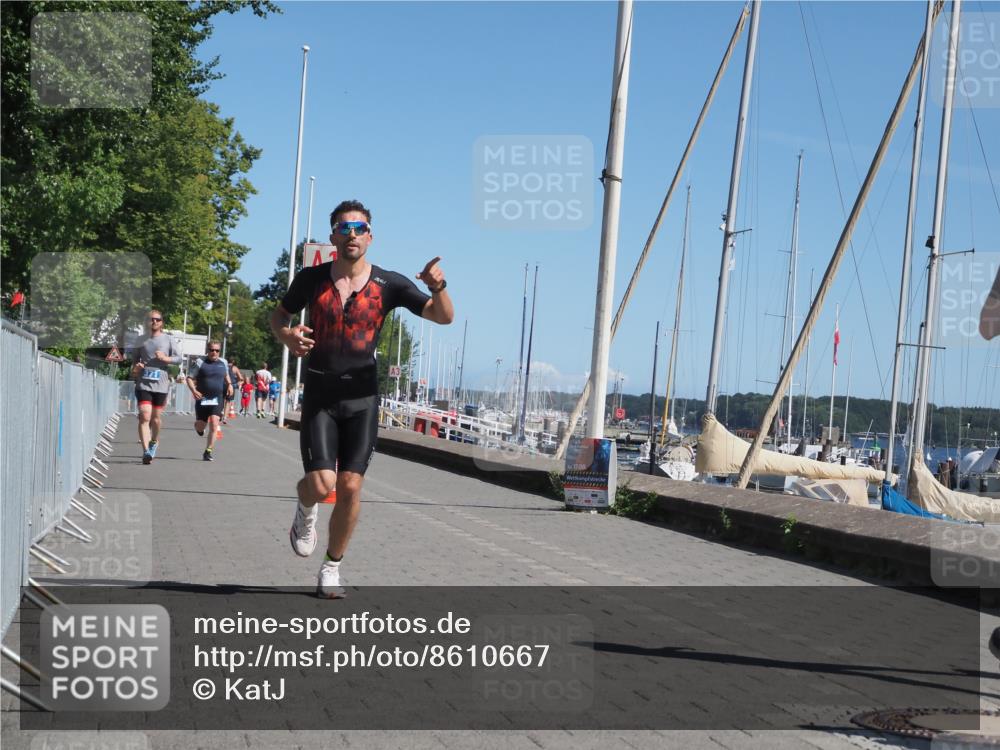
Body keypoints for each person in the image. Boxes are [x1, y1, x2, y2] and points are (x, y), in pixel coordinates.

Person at [270, 199, 453, 598]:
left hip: (363, 399)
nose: (352, 234)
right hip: (321, 394)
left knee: (351, 486)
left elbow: (443, 317)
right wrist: (286, 335)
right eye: (344, 228)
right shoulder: (311, 279)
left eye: (359, 228)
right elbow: (278, 316)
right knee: (322, 484)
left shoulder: (390, 284)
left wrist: (437, 287)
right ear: (333, 236)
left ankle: (332, 566)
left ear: (370, 236)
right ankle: (305, 508)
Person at [131, 310, 183, 464]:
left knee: (156, 419)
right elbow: (134, 363)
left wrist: (166, 358)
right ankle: (146, 452)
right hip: (143, 383)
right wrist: (137, 368)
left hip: (161, 384)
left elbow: (179, 359)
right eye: (151, 319)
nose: (154, 321)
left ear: (162, 322)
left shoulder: (168, 339)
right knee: (144, 415)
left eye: (157, 319)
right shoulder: (140, 340)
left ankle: (154, 441)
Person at [186, 341, 233, 461]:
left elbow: (226, 375)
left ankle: (208, 451)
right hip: (202, 399)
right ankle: (198, 428)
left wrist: (230, 384)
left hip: (217, 398)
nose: (214, 352)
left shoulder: (223, 362)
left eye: (217, 350)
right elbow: (189, 378)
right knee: (201, 426)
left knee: (214, 423)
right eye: (212, 350)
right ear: (207, 350)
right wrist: (194, 390)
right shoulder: (200, 362)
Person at [223, 356, 244, 423]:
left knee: (221, 400)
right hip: (231, 386)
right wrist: (238, 383)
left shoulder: (224, 367)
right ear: (233, 361)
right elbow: (241, 378)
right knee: (228, 401)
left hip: (223, 384)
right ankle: (225, 417)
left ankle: (219, 414)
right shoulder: (235, 368)